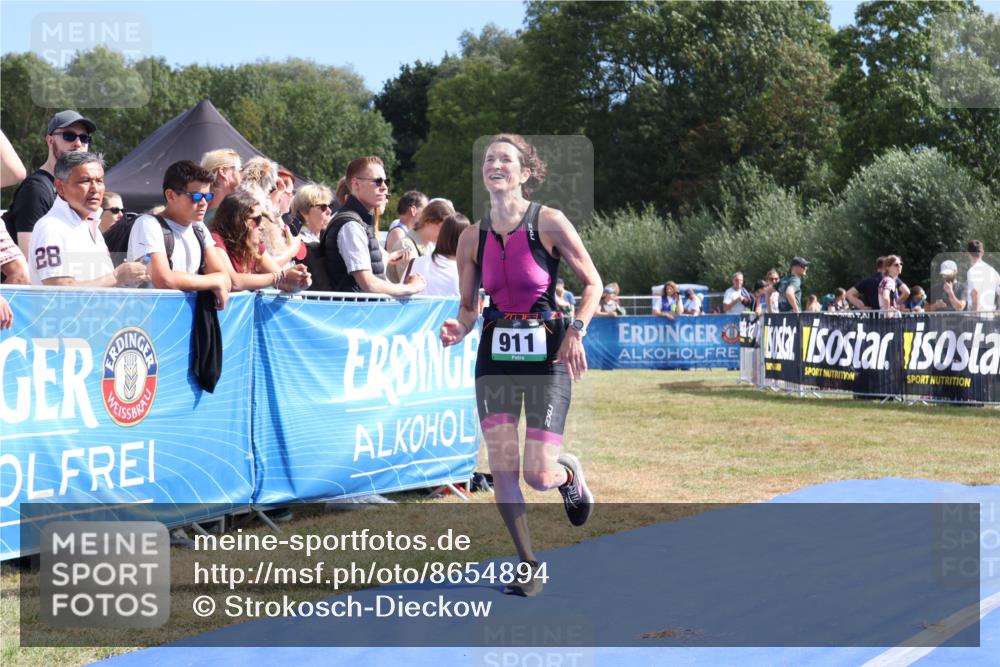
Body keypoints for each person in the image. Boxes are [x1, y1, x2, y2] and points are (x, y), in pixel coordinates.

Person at [439, 133, 600, 597]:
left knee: (537, 474)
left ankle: (565, 474)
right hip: (495, 358)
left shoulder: (548, 223)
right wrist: (459, 328)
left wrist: (577, 331)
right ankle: (528, 563)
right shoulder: (472, 237)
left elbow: (592, 283)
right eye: (489, 158)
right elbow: (469, 308)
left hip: (547, 353)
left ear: (524, 173)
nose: (495, 164)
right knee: (504, 467)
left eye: (505, 159)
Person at [28, 152, 147, 287]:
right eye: (85, 181)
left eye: (99, 181)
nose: (95, 188)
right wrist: (116, 276)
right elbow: (58, 288)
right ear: (60, 187)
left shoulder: (90, 225)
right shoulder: (51, 227)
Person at [126, 160, 231, 309]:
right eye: (195, 196)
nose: (203, 203)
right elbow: (163, 279)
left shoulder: (199, 228)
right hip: (151, 320)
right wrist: (213, 281)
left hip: (187, 320)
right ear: (171, 195)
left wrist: (216, 280)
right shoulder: (148, 224)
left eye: (207, 197)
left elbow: (225, 279)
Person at [321, 156, 424, 296]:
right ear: (356, 184)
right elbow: (368, 284)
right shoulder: (351, 225)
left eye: (386, 181)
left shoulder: (360, 222)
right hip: (354, 314)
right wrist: (411, 288)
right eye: (377, 181)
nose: (385, 187)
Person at [4, 110, 96, 255]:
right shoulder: (36, 190)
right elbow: (31, 259)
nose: (78, 143)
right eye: (69, 136)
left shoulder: (77, 193)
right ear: (50, 140)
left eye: (84, 138)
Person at [208, 190, 311, 292]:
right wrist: (282, 276)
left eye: (261, 219)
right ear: (237, 221)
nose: (262, 226)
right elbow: (234, 282)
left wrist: (300, 282)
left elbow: (286, 285)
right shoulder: (215, 240)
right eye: (256, 220)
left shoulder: (255, 246)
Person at [387, 199, 453, 283]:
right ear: (428, 221)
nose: (445, 233)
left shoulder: (431, 247)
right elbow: (409, 284)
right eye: (442, 228)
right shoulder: (406, 246)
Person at [408, 213, 470, 297]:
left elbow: (401, 296)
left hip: (415, 310)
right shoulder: (465, 272)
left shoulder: (415, 262)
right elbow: (471, 307)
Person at [200, 149, 242, 226]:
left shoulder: (203, 214)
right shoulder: (220, 219)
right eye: (239, 170)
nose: (241, 175)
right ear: (223, 172)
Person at [965, 239, 999, 313]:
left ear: (967, 253)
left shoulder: (972, 271)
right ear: (982, 253)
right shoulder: (993, 271)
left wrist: (974, 315)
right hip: (989, 315)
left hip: (976, 316)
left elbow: (975, 293)